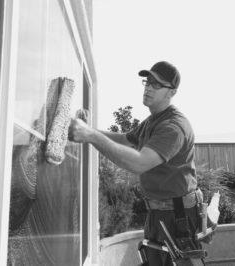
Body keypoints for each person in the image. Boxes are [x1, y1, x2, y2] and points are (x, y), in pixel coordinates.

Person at [69, 61, 202, 265]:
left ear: (171, 92)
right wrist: (89, 131)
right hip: (159, 213)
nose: (148, 87)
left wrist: (90, 135)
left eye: (156, 84)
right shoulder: (152, 121)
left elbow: (139, 163)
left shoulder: (173, 126)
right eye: (147, 82)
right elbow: (125, 140)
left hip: (178, 218)